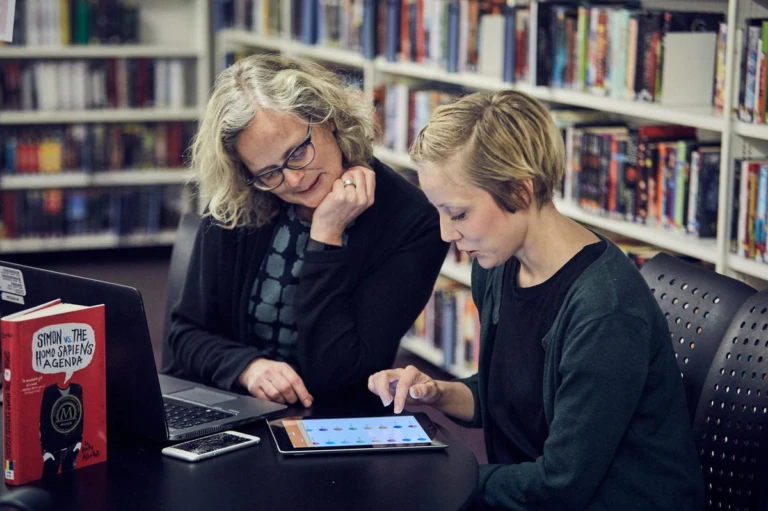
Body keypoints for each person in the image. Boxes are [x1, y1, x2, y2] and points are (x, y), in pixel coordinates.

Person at [368, 90, 704, 510]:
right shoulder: (498, 264)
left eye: (457, 213)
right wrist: (435, 393)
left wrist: (446, 480)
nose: (445, 233)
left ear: (521, 192)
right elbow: (510, 398)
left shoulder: (603, 310)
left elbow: (561, 484)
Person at [165, 54, 448, 408]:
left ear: (328, 119)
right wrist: (247, 367)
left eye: (298, 151)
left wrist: (326, 237)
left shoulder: (410, 221)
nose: (294, 179)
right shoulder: (239, 201)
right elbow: (184, 336)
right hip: (231, 402)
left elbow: (339, 372)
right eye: (269, 173)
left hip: (333, 421)